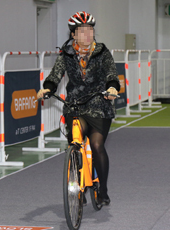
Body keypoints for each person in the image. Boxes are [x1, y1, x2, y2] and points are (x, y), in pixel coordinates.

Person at [37, 11, 119, 206]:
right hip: (75, 105)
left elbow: (111, 73)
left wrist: (112, 87)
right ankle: (78, 180)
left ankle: (103, 189)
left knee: (97, 145)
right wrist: (47, 88)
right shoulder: (67, 54)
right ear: (73, 34)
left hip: (99, 105)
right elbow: (55, 75)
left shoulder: (101, 51)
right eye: (82, 31)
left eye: (90, 30)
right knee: (76, 140)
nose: (87, 34)